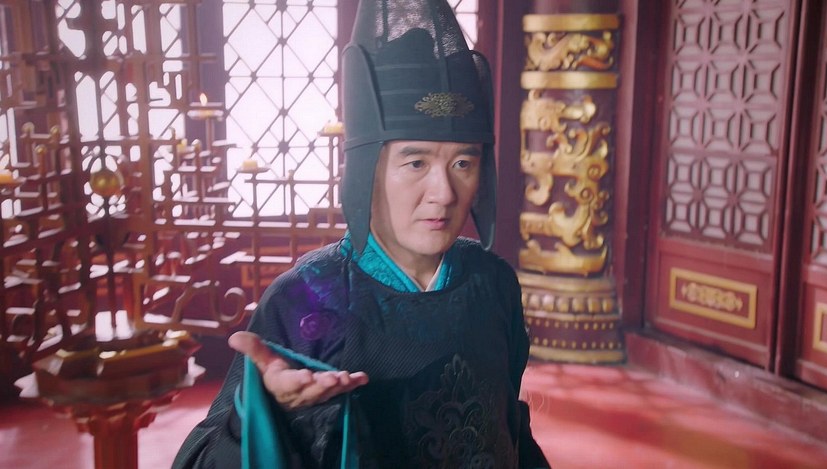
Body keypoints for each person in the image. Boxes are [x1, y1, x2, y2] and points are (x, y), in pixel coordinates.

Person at [173, 0, 549, 467]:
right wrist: (272, 414)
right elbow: (202, 460)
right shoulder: (305, 298)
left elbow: (508, 430)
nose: (444, 193)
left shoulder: (493, 283)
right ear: (367, 169)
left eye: (462, 163)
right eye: (416, 162)